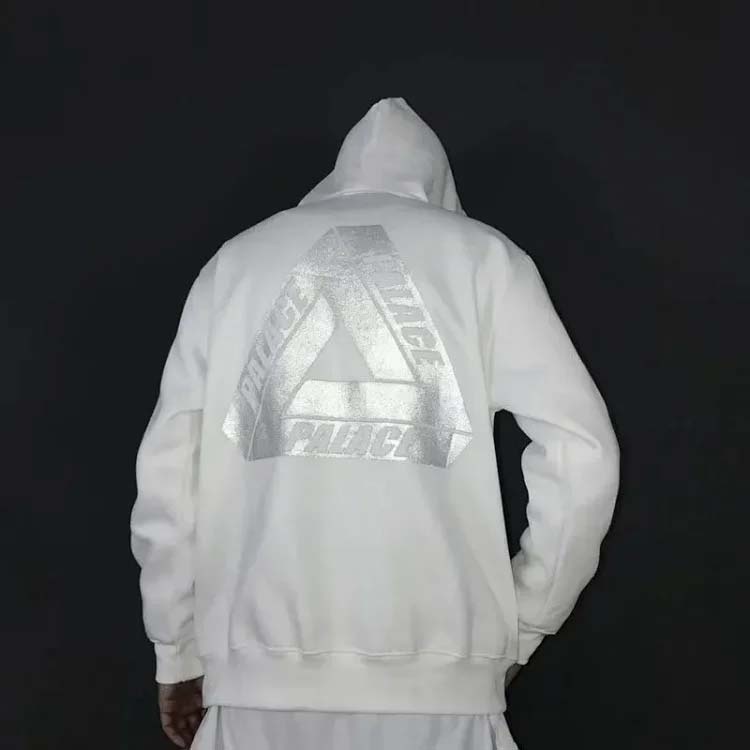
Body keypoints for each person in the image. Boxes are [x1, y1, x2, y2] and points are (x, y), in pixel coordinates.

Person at [130, 97, 620, 750]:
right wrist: (525, 620)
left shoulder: (235, 265)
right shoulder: (486, 262)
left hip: (252, 700)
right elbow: (582, 454)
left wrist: (177, 649)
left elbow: (169, 471)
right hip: (444, 704)